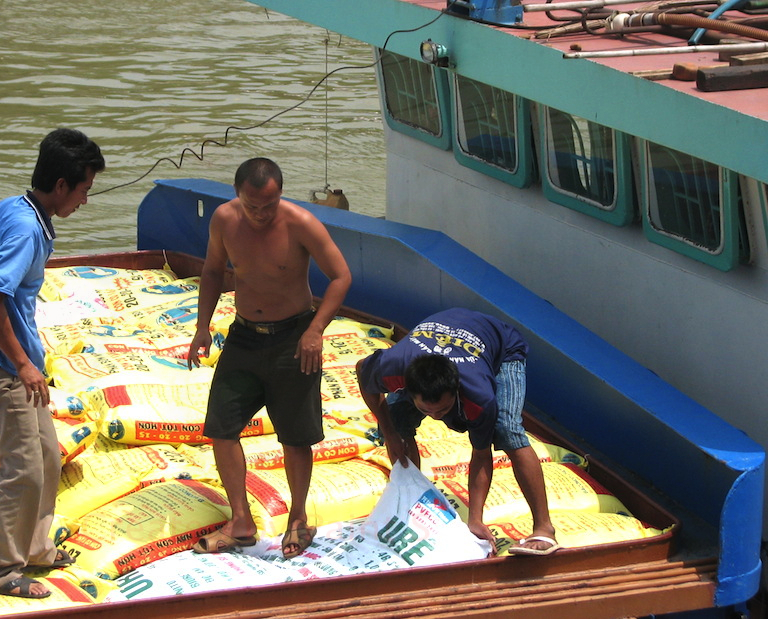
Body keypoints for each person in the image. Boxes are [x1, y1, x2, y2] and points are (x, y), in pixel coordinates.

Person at [0, 128, 105, 599]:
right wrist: (22, 364)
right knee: (23, 469)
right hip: (2, 363)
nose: (84, 200)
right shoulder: (23, 228)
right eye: (83, 190)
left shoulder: (11, 207)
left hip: (4, 354)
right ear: (61, 185)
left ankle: (37, 549)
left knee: (48, 457)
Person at [187, 157, 351, 559]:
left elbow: (341, 276)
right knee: (221, 427)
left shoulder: (301, 223)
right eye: (252, 205)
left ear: (281, 195)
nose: (261, 214)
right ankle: (240, 520)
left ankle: (297, 518)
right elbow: (212, 271)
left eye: (269, 204)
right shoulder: (225, 220)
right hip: (244, 335)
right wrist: (202, 327)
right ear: (237, 195)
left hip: (294, 338)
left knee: (296, 435)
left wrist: (316, 331)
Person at [355, 308, 559, 556]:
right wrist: (389, 433)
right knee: (396, 423)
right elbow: (362, 371)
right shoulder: (392, 366)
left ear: (456, 392)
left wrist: (475, 519)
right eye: (425, 409)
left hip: (502, 348)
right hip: (442, 331)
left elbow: (481, 454)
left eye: (443, 409)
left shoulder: (479, 395)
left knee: (506, 430)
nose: (435, 416)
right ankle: (410, 504)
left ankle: (544, 528)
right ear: (407, 388)